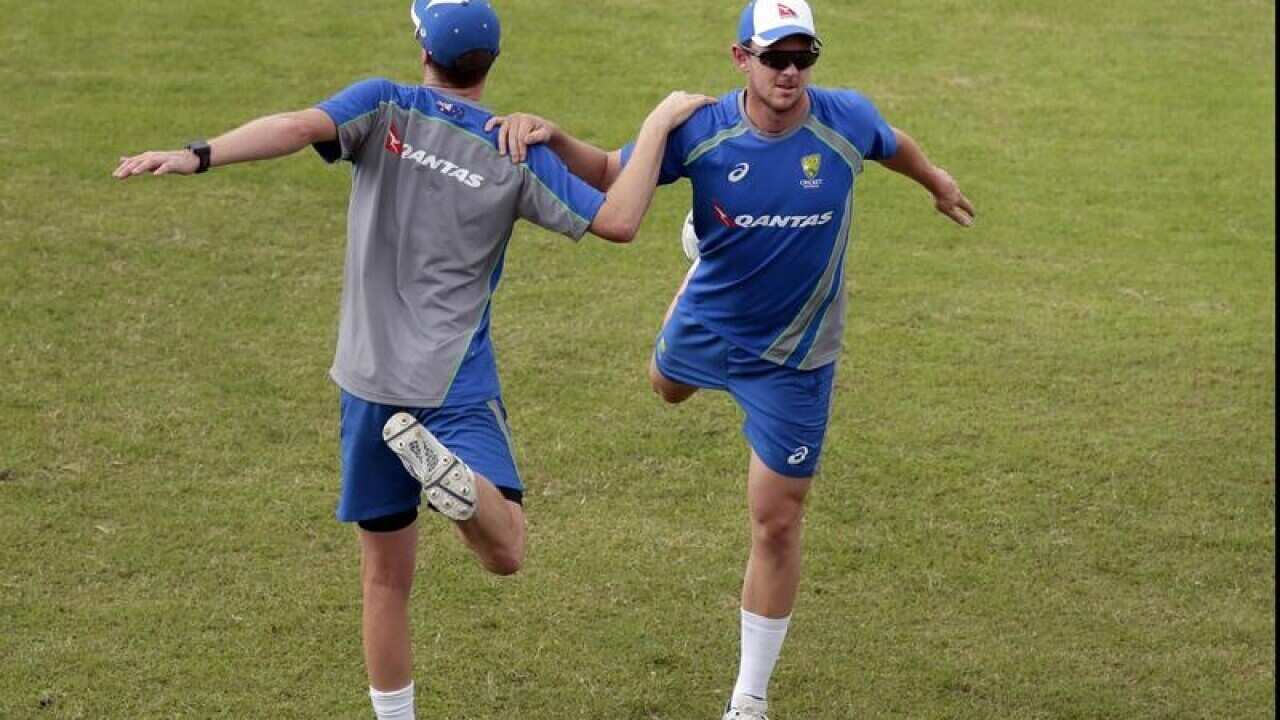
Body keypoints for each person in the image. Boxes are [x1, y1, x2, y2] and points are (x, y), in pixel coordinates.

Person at [113, 1, 713, 718]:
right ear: (490, 64)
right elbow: (619, 219)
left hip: (369, 384)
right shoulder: (512, 149)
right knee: (506, 550)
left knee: (384, 581)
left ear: (422, 48)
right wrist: (656, 124)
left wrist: (199, 153)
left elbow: (299, 127)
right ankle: (459, 486)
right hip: (453, 381)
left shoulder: (384, 106)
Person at [488, 1, 975, 717]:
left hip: (799, 354)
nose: (790, 72)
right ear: (740, 58)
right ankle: (692, 277)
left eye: (803, 57)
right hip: (713, 320)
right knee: (665, 389)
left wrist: (934, 180)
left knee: (777, 520)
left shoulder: (843, 120)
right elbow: (608, 172)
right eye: (775, 56)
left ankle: (750, 695)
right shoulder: (701, 132)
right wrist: (554, 136)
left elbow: (891, 141)